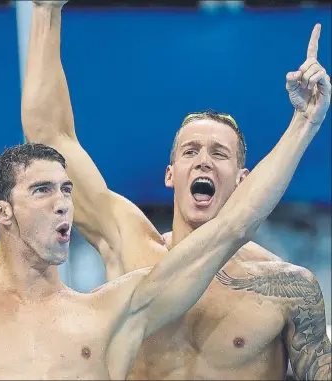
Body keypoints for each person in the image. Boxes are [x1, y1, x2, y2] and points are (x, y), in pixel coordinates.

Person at [21, 1, 331, 380]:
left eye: (219, 154)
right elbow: (51, 137)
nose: (203, 161)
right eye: (190, 151)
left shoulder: (287, 287)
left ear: (243, 179)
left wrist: (308, 118)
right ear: (170, 174)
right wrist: (45, 11)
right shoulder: (130, 246)